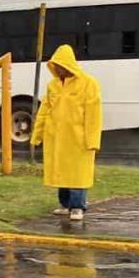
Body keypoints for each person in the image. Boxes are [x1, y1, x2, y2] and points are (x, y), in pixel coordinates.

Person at [31, 44, 103, 222]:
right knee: (62, 172)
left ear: (68, 65)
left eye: (60, 66)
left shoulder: (88, 83)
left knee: (78, 174)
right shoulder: (52, 85)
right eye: (55, 66)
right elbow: (44, 111)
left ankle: (78, 206)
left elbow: (94, 114)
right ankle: (65, 205)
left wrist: (93, 140)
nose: (57, 70)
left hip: (78, 139)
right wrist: (37, 135)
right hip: (56, 137)